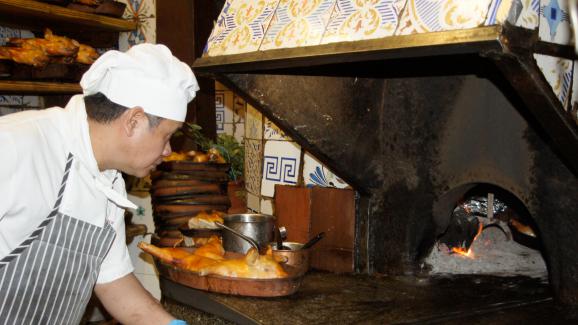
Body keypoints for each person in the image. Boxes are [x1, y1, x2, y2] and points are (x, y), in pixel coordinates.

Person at [0, 43, 198, 325]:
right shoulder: (15, 145)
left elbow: (113, 283)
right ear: (134, 121)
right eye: (167, 136)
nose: (167, 151)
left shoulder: (109, 183)